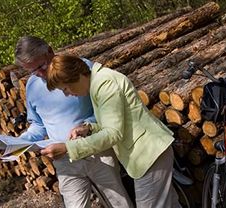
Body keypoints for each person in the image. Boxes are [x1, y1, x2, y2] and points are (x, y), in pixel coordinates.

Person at [43, 54, 181, 208]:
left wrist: (68, 148)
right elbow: (113, 124)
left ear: (75, 76)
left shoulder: (104, 84)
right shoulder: (97, 83)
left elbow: (113, 134)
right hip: (149, 154)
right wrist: (88, 129)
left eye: (65, 88)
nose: (67, 94)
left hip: (149, 154)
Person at [14, 36, 133, 208]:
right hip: (64, 159)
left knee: (118, 202)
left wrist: (87, 125)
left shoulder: (78, 68)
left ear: (50, 51)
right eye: (33, 71)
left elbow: (106, 105)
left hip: (97, 149)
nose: (40, 74)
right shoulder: (32, 87)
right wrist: (21, 141)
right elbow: (39, 125)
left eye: (41, 66)